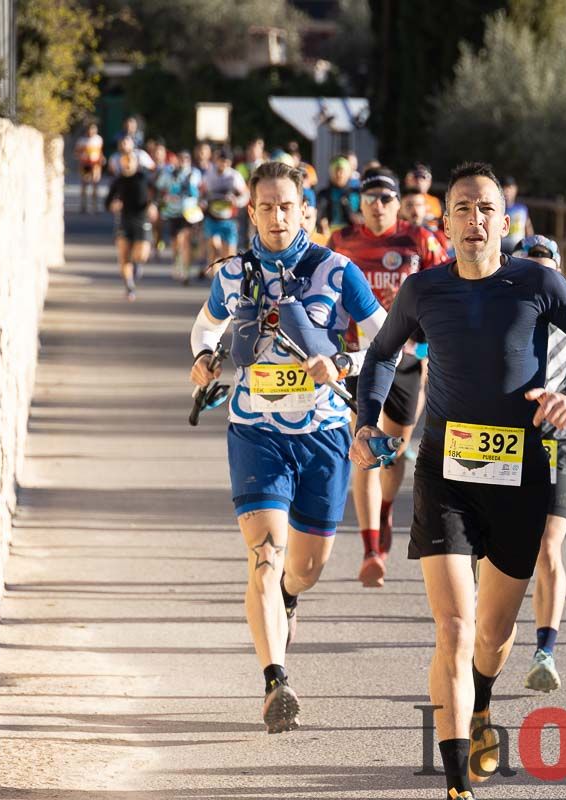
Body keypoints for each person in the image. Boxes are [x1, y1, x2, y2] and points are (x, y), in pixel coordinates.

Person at [350, 162, 566, 800]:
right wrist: (369, 424)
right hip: (446, 473)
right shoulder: (423, 290)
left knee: (494, 637)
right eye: (463, 209)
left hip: (521, 476)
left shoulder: (538, 281)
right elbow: (382, 355)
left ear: (505, 221)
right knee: (454, 627)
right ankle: (454, 784)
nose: (475, 220)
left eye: (485, 209)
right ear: (446, 223)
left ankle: (481, 707)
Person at [188, 160, 386, 735]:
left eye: (287, 206)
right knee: (264, 558)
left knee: (305, 568)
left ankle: (290, 599)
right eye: (266, 206)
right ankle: (276, 682)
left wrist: (342, 363)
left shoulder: (337, 270)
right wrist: (203, 360)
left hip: (324, 436)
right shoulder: (232, 276)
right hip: (256, 432)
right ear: (251, 212)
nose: (277, 216)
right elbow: (205, 330)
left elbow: (387, 340)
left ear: (306, 211)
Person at [327, 170, 446, 587]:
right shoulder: (341, 242)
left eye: (385, 197)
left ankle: (384, 510)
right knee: (364, 446)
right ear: (359, 203)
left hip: (409, 357)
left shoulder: (419, 240)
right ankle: (371, 548)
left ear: (398, 202)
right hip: (360, 360)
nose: (377, 204)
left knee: (392, 453)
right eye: (370, 197)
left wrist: (433, 345)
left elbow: (446, 287)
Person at [508, 235, 566, 694]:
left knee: (548, 548)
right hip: (500, 445)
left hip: (555, 442)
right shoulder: (501, 315)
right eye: (529, 269)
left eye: (547, 270)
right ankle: (483, 635)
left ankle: (545, 652)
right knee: (491, 552)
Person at [104, 153, 156, 301]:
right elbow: (107, 201)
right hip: (124, 220)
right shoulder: (118, 181)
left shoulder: (143, 178)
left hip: (142, 220)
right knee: (123, 255)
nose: (127, 164)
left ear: (135, 163)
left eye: (130, 161)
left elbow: (156, 193)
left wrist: (153, 205)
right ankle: (129, 285)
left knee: (141, 255)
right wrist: (112, 205)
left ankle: (137, 264)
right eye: (124, 161)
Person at [201, 148, 250, 277]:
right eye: (221, 161)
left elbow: (245, 195)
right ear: (216, 161)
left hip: (229, 219)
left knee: (228, 255)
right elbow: (201, 193)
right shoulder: (208, 175)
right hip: (212, 217)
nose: (223, 165)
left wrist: (237, 201)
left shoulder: (234, 176)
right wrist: (202, 202)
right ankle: (215, 278)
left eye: (226, 162)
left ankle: (227, 278)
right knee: (213, 246)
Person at [156, 149, 203, 284]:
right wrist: (165, 197)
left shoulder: (194, 173)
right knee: (176, 242)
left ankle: (186, 272)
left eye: (185, 160)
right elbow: (160, 188)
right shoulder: (168, 174)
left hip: (189, 213)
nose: (183, 162)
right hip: (173, 212)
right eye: (180, 159)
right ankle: (177, 261)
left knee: (185, 240)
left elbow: (197, 190)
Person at [316, 156, 360, 239]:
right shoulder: (323, 194)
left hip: (352, 236)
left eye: (342, 171)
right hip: (329, 237)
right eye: (336, 171)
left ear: (348, 173)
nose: (339, 174)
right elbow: (318, 215)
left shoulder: (356, 194)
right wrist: (321, 224)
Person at [74, 122, 104, 213]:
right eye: (90, 129)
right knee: (84, 185)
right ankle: (83, 206)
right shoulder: (81, 140)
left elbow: (100, 151)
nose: (91, 131)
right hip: (85, 164)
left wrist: (101, 159)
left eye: (93, 129)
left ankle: (95, 207)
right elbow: (76, 152)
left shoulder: (98, 139)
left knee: (95, 184)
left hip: (95, 165)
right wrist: (81, 158)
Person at [500, 176, 534, 255]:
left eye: (509, 188)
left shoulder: (522, 209)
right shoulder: (497, 209)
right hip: (501, 249)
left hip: (519, 249)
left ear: (515, 189)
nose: (507, 191)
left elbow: (528, 227)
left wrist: (531, 244)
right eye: (504, 188)